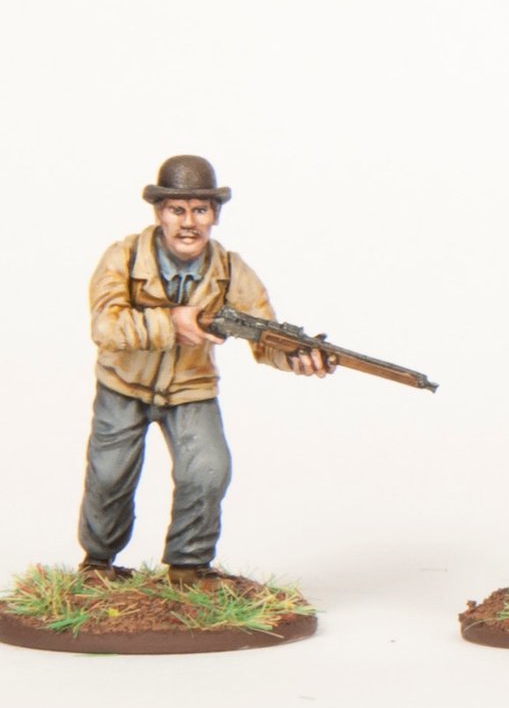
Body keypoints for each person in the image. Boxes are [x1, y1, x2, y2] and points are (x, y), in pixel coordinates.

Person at [80, 155, 330, 582]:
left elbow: (264, 334)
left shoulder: (231, 269)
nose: (188, 222)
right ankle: (97, 564)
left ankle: (188, 567)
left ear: (214, 215)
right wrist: (170, 323)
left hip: (190, 390)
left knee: (208, 469)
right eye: (177, 210)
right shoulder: (123, 257)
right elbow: (105, 327)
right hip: (123, 385)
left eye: (200, 210)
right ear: (159, 213)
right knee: (108, 477)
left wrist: (294, 357)